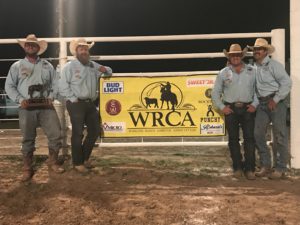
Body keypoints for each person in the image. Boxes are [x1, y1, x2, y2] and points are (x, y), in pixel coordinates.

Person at [5, 34, 64, 182]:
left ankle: (53, 162)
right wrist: (20, 99)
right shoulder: (17, 66)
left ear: (38, 48)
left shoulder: (47, 65)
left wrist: (51, 96)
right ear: (25, 47)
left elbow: (55, 83)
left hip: (46, 105)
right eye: (28, 44)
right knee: (28, 138)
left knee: (55, 133)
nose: (30, 46)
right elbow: (9, 86)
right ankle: (27, 167)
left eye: (33, 45)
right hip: (26, 106)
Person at [58, 38, 112, 173]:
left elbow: (109, 71)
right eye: (81, 49)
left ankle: (84, 159)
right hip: (76, 103)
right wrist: (73, 98)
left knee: (94, 131)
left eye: (86, 49)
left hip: (90, 103)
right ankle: (78, 162)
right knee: (77, 133)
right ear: (76, 51)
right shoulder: (69, 67)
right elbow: (63, 86)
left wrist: (104, 68)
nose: (84, 51)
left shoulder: (93, 65)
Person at [212, 44, 257, 180]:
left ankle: (250, 168)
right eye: (233, 55)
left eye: (238, 55)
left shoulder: (252, 71)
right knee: (233, 139)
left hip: (248, 108)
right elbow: (215, 93)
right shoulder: (223, 73)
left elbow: (258, 90)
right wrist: (222, 107)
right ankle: (237, 167)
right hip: (230, 108)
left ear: (241, 56)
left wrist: (254, 104)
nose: (235, 57)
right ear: (229, 57)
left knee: (249, 139)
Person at [249, 38, 292, 179]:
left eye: (259, 49)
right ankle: (266, 165)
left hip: (275, 102)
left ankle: (280, 168)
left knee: (280, 135)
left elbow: (286, 82)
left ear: (265, 51)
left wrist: (276, 99)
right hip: (262, 103)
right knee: (258, 133)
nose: (256, 52)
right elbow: (255, 89)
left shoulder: (274, 65)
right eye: (255, 49)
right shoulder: (254, 68)